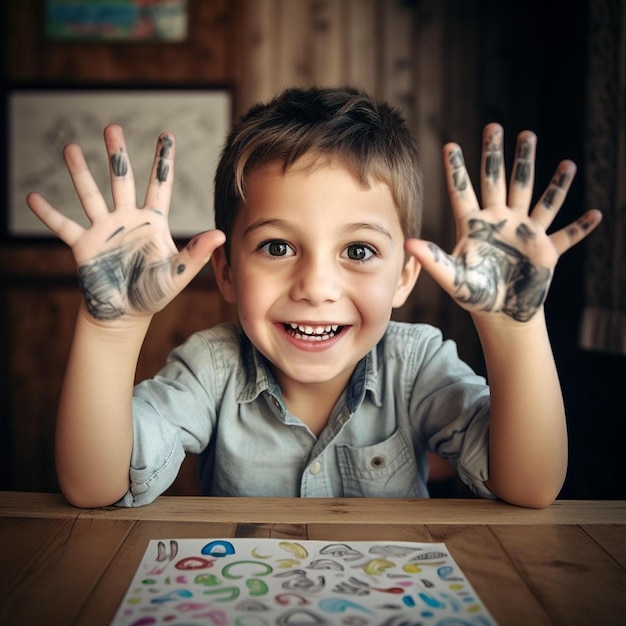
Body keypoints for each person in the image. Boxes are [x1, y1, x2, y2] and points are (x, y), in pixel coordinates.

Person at [26, 86, 602, 509]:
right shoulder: (210, 368)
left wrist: (514, 329)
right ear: (226, 273)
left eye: (357, 252)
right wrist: (112, 329)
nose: (316, 287)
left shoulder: (417, 364)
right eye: (277, 247)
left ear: (403, 278)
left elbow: (530, 485)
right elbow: (94, 485)